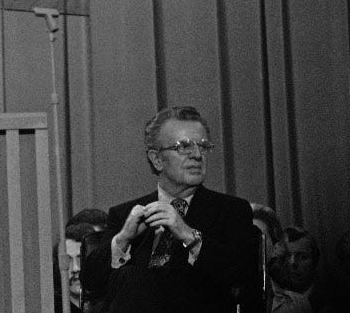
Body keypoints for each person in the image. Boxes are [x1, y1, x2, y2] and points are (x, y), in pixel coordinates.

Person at [84, 106, 262, 313]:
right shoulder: (125, 214)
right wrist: (123, 239)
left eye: (203, 146)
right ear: (157, 159)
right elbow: (91, 284)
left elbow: (243, 277)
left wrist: (188, 235)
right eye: (184, 146)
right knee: (130, 277)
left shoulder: (232, 210)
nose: (197, 155)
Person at [270, 226, 337, 312]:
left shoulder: (328, 302)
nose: (292, 262)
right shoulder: (272, 300)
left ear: (314, 261)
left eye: (302, 257)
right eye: (287, 256)